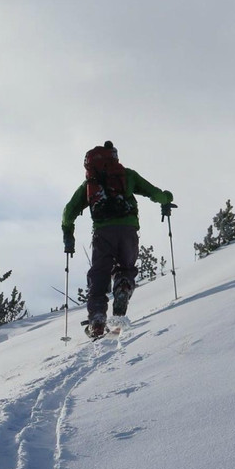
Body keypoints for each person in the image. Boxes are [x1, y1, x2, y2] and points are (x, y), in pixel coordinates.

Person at [62, 141, 173, 338]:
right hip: (128, 230)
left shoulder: (89, 185)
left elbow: (68, 212)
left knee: (99, 274)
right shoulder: (127, 175)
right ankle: (122, 288)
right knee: (126, 269)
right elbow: (153, 192)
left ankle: (97, 319)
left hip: (103, 233)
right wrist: (166, 198)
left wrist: (68, 235)